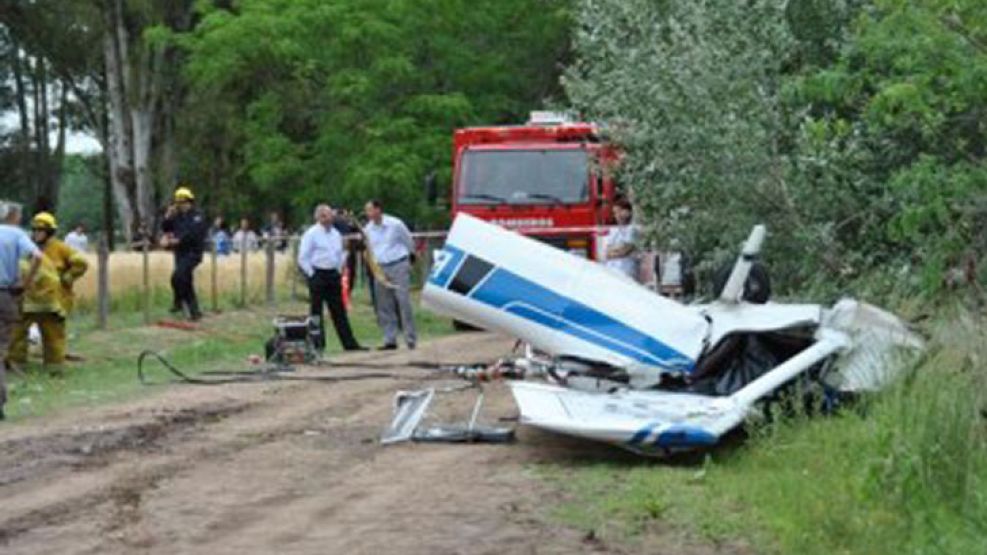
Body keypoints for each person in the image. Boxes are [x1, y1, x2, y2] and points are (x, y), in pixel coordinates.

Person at [8, 212, 89, 373]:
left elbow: (81, 263)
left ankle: (54, 368)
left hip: (52, 303)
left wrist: (67, 278)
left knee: (54, 336)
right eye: (35, 230)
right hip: (27, 301)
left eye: (41, 230)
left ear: (50, 232)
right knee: (17, 333)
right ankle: (16, 364)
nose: (37, 233)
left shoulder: (60, 248)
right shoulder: (27, 246)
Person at [297, 204, 365, 352]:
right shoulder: (311, 234)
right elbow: (303, 257)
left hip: (333, 274)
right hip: (318, 273)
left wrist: (339, 268)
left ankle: (349, 343)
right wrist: (312, 274)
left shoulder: (335, 234)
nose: (328, 218)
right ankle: (318, 344)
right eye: (324, 215)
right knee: (316, 311)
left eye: (329, 215)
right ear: (318, 217)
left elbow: (340, 253)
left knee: (339, 310)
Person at [0, 201, 43, 420]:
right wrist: (26, 283)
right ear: (14, 216)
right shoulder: (16, 234)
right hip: (5, 295)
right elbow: (37, 256)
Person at [363, 199, 416, 350]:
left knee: (403, 301)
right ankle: (389, 338)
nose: (369, 214)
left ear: (378, 210)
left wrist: (409, 260)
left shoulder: (395, 224)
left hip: (398, 264)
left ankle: (410, 337)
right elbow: (369, 249)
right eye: (367, 211)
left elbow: (409, 241)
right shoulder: (368, 229)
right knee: (384, 304)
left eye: (371, 210)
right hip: (380, 268)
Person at [161, 187, 208, 320]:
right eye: (178, 202)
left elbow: (194, 234)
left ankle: (178, 302)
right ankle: (194, 312)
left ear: (189, 202)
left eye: (182, 202)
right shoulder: (177, 217)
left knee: (177, 277)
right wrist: (167, 216)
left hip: (193, 253)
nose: (180, 205)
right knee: (186, 281)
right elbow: (165, 228)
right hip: (180, 253)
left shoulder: (197, 216)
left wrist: (178, 240)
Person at [603, 197, 639, 281]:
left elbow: (625, 250)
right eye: (615, 213)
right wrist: (618, 249)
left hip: (626, 271)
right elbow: (606, 252)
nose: (617, 215)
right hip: (611, 271)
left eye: (619, 211)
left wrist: (615, 251)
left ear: (627, 212)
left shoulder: (632, 230)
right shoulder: (613, 230)